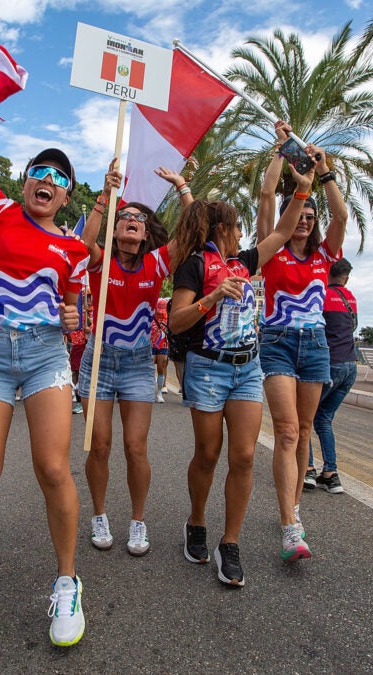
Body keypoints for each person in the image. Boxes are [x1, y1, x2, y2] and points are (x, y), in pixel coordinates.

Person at [0, 108, 89, 650]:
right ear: (24, 179)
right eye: (39, 172)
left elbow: (72, 308)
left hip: (47, 355)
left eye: (59, 178)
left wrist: (75, 317)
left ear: (67, 195)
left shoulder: (74, 250)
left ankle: (68, 582)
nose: (47, 181)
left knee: (52, 468)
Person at [168, 134, 321, 585]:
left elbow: (281, 227)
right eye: (235, 227)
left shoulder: (247, 261)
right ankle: (196, 519)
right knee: (208, 454)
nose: (241, 234)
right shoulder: (196, 265)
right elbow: (177, 321)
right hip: (208, 369)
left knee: (246, 455)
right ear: (222, 229)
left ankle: (229, 543)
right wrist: (211, 297)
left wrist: (303, 187)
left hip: (248, 370)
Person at [78, 160, 187, 558]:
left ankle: (138, 521)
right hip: (98, 361)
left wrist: (181, 187)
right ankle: (99, 515)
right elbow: (79, 244)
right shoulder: (99, 259)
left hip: (140, 363)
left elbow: (191, 230)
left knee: (136, 448)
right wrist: (104, 201)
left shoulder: (157, 262)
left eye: (138, 218)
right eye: (124, 216)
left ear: (145, 233)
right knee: (100, 446)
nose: (131, 221)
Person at [254, 122, 347, 562]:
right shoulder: (271, 248)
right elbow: (266, 197)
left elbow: (342, 216)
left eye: (310, 217)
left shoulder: (326, 256)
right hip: (275, 341)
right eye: (301, 214)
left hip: (316, 345)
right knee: (288, 430)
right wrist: (280, 151)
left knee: (306, 429)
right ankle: (290, 527)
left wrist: (324, 172)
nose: (304, 221)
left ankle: (294, 509)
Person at [308, 258, 358, 495]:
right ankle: (330, 473)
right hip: (350, 366)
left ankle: (307, 468)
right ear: (346, 277)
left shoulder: (324, 295)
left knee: (303, 418)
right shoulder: (351, 299)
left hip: (330, 364)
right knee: (324, 419)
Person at [152, 296, 171, 402]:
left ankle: (159, 393)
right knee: (150, 369)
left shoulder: (168, 318)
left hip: (164, 345)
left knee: (161, 368)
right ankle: (150, 392)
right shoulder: (150, 317)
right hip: (151, 344)